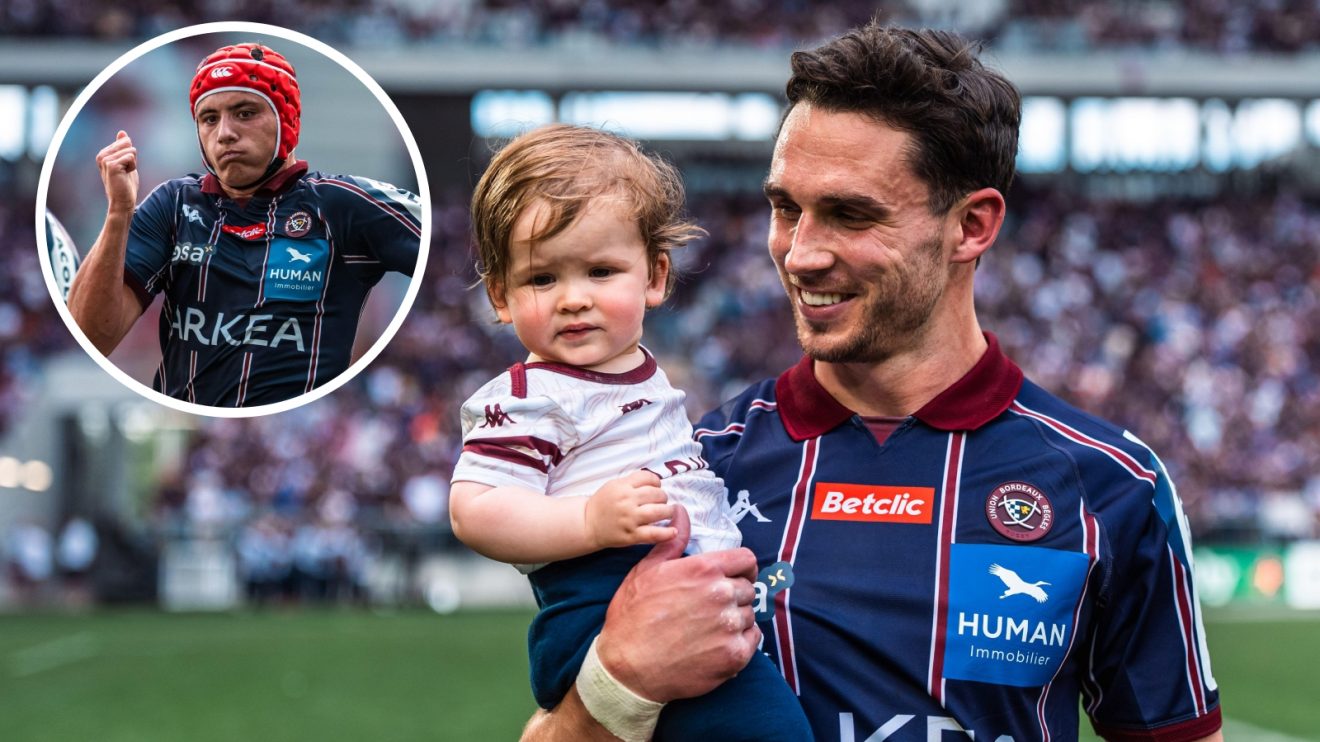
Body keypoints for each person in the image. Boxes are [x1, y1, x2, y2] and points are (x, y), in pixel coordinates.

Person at [522, 22, 1224, 742]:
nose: (800, 254)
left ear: (971, 226)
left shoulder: (1110, 485)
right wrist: (620, 682)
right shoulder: (689, 470)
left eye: (850, 214)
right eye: (786, 208)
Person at [450, 124, 811, 742]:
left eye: (600, 271)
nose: (573, 299)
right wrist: (589, 521)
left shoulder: (637, 368)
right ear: (500, 295)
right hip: (603, 601)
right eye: (542, 279)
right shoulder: (529, 396)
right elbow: (474, 509)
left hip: (684, 596)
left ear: (655, 277)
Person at [68, 42, 422, 407]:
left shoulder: (342, 204)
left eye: (245, 113)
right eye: (209, 118)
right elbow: (92, 337)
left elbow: (444, 239)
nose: (224, 133)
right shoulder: (171, 204)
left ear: (287, 120)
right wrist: (119, 213)